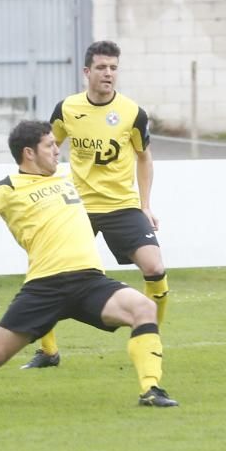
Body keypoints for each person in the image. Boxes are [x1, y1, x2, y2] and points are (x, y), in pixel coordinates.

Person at [0, 120, 178, 407]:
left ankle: (151, 390)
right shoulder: (7, 188)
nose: (57, 151)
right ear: (28, 153)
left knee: (144, 308)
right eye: (49, 145)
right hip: (44, 287)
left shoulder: (67, 178)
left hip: (89, 281)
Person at [21, 40, 169, 369]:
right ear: (86, 72)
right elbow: (47, 151)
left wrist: (145, 205)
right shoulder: (67, 109)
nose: (108, 74)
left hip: (122, 206)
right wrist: (43, 193)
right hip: (77, 207)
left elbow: (144, 159)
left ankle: (150, 338)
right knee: (48, 269)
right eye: (102, 68)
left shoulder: (133, 113)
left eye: (114, 68)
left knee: (155, 268)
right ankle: (48, 351)